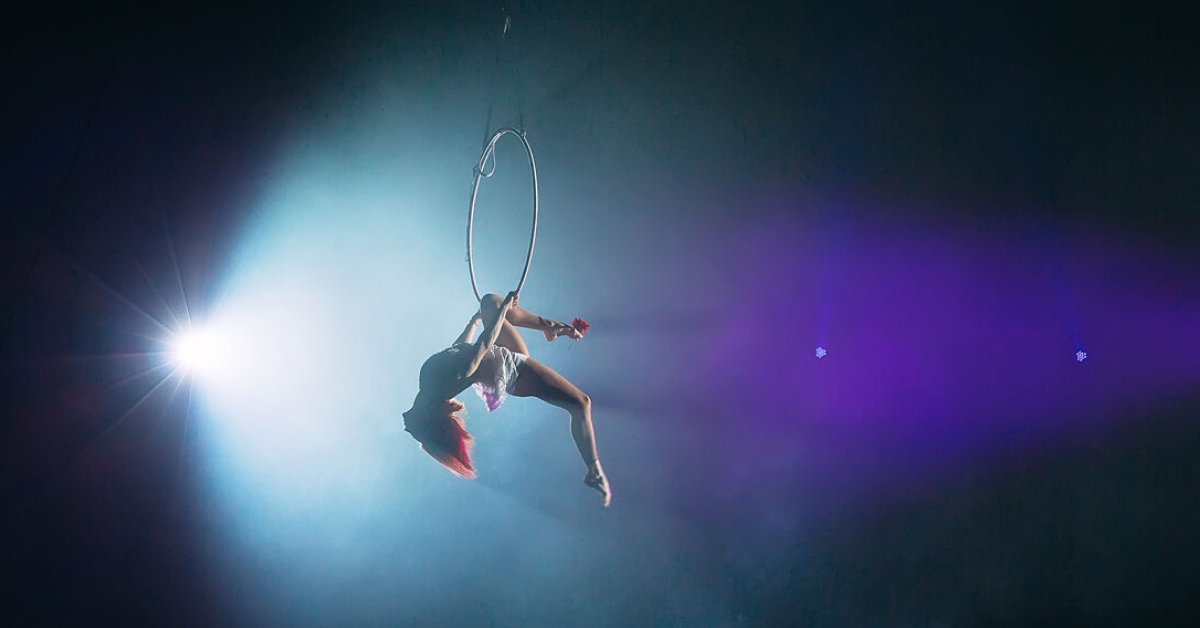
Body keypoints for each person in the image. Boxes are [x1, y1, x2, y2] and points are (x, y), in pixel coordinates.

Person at [402, 292, 612, 507]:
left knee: (489, 302)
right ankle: (594, 470)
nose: (405, 428)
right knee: (581, 403)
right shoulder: (446, 384)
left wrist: (474, 321)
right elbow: (483, 344)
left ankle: (550, 328)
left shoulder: (427, 380)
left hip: (501, 355)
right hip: (514, 373)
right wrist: (503, 310)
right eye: (413, 430)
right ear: (424, 419)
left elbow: (458, 348)